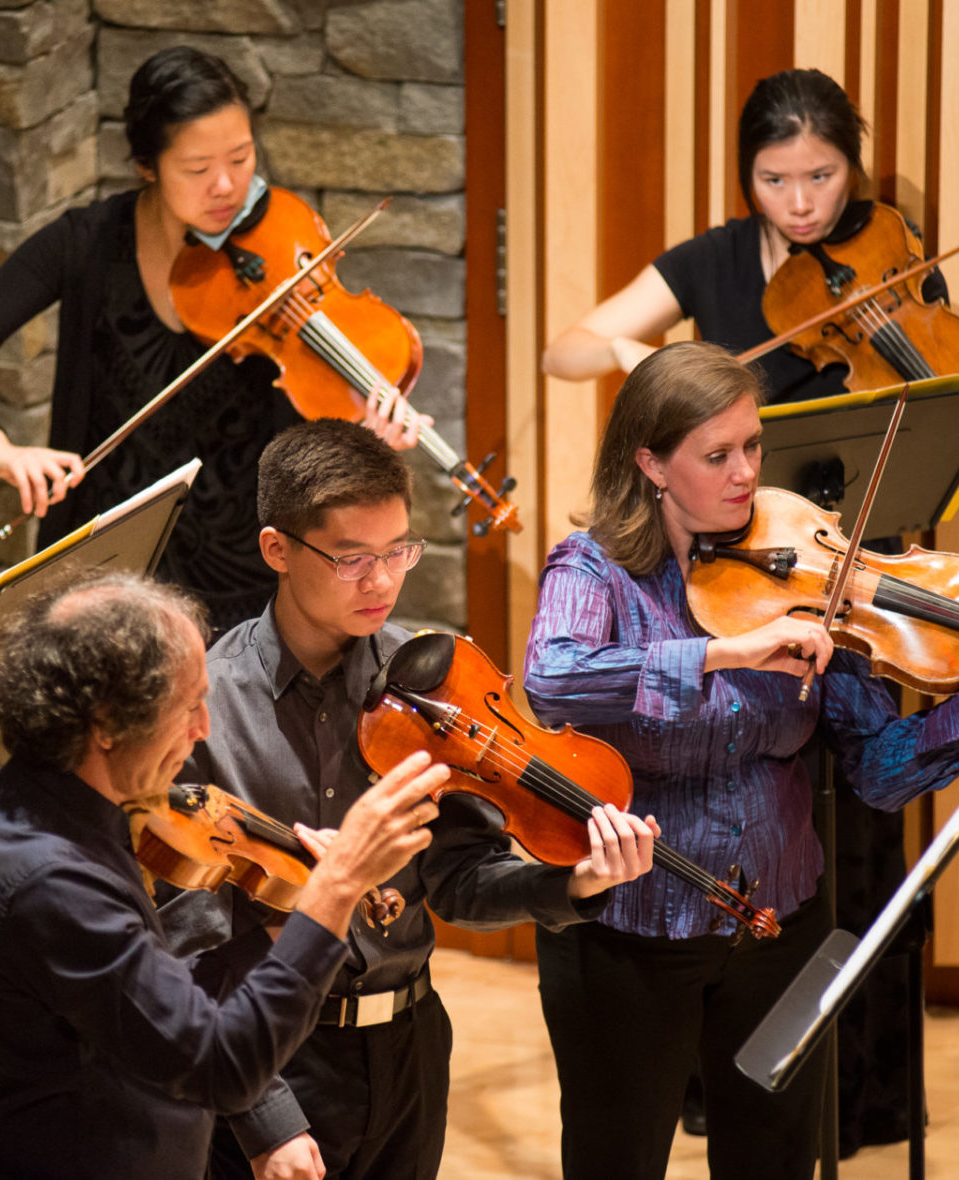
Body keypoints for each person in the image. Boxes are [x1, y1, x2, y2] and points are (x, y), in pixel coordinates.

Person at [522, 341, 959, 1180]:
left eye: (752, 448)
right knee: (615, 1159)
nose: (745, 474)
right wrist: (721, 654)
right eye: (716, 455)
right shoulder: (595, 570)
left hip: (777, 920)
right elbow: (552, 682)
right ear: (651, 464)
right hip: (632, 928)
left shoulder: (804, 575)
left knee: (774, 1163)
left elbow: (881, 771)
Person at [155, 418, 657, 1180]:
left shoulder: (437, 687)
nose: (384, 582)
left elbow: (458, 880)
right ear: (277, 550)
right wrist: (267, 1120)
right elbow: (193, 946)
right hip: (272, 1061)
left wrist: (573, 882)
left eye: (399, 552)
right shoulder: (205, 708)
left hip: (411, 1050)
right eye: (354, 558)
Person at [0, 571, 448, 1179]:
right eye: (187, 708)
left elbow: (155, 998)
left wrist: (291, 925)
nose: (204, 729)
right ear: (105, 724)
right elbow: (221, 1066)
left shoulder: (38, 794)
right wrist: (336, 892)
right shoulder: (53, 879)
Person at [0, 46, 414, 633]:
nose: (226, 185)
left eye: (241, 157)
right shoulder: (87, 243)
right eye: (197, 169)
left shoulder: (275, 256)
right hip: (106, 575)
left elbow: (303, 442)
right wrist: (1, 451)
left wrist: (364, 436)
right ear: (147, 166)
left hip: (248, 583)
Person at [542, 66, 952, 403]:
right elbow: (560, 355)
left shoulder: (893, 252)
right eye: (774, 180)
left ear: (851, 166)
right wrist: (620, 349)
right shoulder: (716, 259)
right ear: (747, 175)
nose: (800, 204)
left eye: (821, 177)